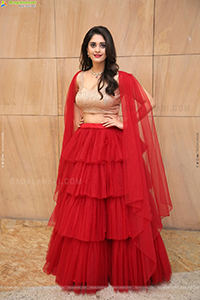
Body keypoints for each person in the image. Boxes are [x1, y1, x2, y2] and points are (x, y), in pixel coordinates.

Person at [43, 26, 173, 295]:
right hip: (84, 147)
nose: (98, 49)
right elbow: (76, 104)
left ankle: (121, 267)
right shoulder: (79, 78)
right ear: (86, 49)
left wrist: (123, 122)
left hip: (111, 145)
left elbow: (149, 102)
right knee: (86, 207)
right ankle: (90, 269)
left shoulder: (121, 77)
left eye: (102, 45)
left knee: (116, 205)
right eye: (93, 45)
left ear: (109, 48)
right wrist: (80, 116)